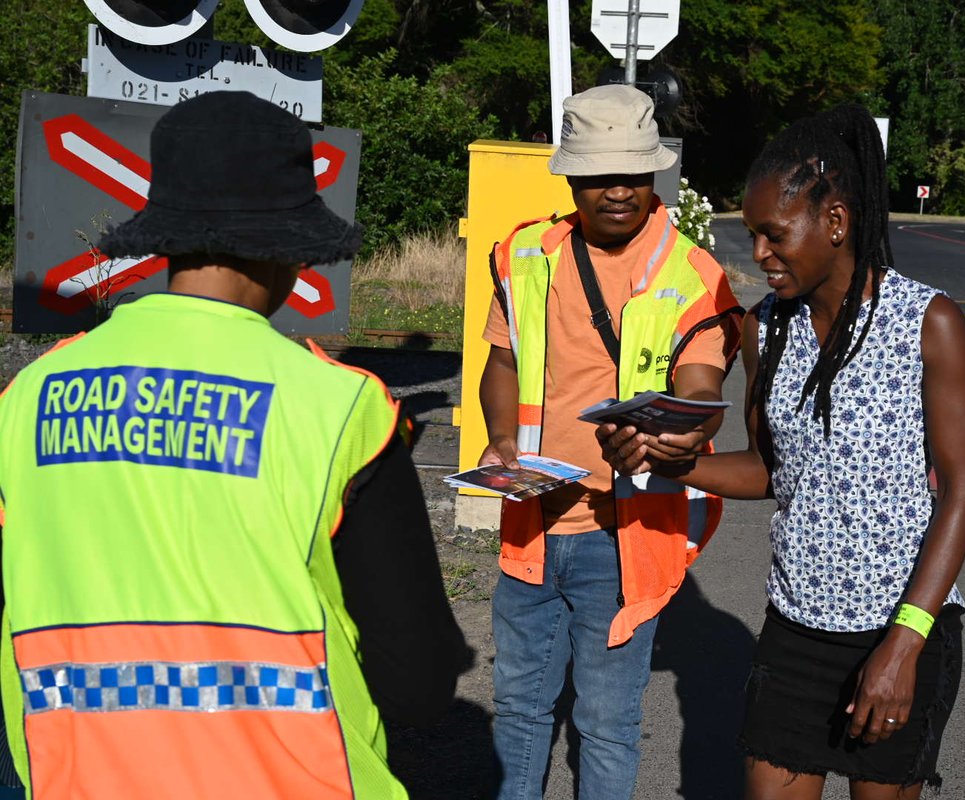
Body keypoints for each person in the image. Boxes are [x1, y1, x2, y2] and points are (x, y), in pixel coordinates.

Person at [0, 91, 469, 798]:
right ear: (288, 250)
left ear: (165, 236)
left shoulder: (28, 396)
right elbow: (418, 687)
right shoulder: (340, 407)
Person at [598, 104, 965, 799]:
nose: (759, 255)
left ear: (835, 221)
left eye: (774, 235)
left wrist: (905, 643)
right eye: (753, 235)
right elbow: (769, 470)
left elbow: (958, 492)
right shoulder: (764, 329)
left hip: (901, 627)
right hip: (796, 628)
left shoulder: (929, 323)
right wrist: (664, 460)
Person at [479, 84, 743, 800]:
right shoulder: (525, 255)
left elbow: (702, 389)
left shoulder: (693, 274)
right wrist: (500, 438)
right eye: (599, 175)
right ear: (571, 179)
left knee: (605, 723)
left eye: (633, 172)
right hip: (530, 521)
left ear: (656, 172)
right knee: (519, 711)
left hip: (624, 536)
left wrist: (677, 433)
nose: (619, 190)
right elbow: (502, 360)